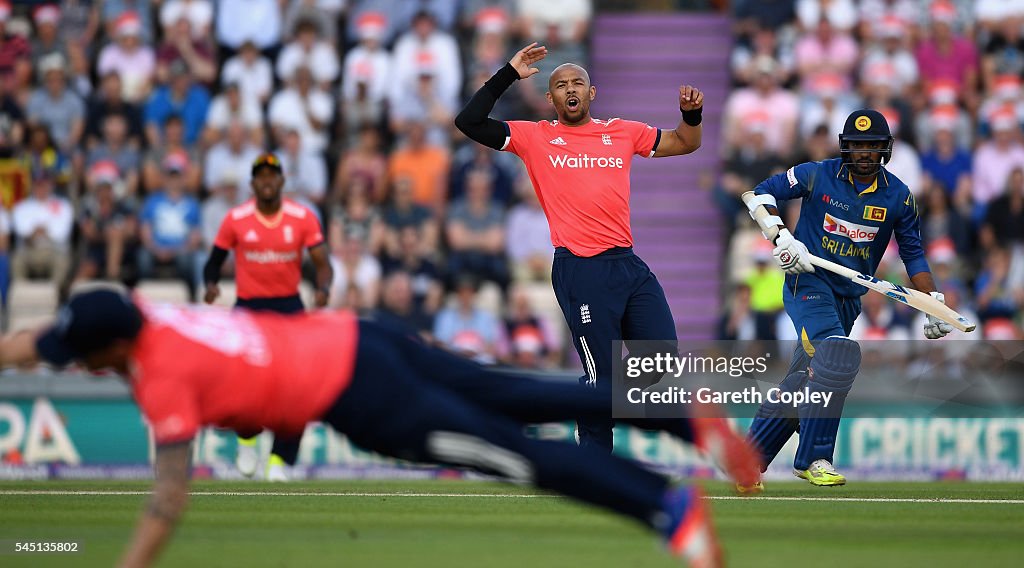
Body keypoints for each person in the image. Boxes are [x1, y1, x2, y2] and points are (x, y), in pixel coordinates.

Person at [3, 285, 763, 568]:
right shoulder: (152, 315)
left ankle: (667, 507)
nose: (75, 365)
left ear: (113, 346)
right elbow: (32, 343)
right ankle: (676, 411)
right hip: (363, 337)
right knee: (519, 395)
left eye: (83, 357)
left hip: (368, 398)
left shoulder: (161, 374)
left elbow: (169, 497)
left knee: (517, 457)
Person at [454, 43, 704, 451]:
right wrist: (508, 74)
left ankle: (611, 404)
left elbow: (685, 142)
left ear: (592, 93)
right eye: (560, 85)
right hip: (580, 268)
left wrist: (691, 114)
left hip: (626, 263)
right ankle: (593, 458)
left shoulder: (622, 131)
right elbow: (469, 121)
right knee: (599, 378)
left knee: (661, 360)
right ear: (550, 98)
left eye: (577, 82)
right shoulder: (535, 136)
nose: (570, 89)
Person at [742, 109, 952, 490]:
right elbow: (760, 192)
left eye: (872, 147)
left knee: (804, 381)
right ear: (845, 147)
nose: (864, 153)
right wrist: (781, 237)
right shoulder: (817, 174)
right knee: (835, 355)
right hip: (807, 283)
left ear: (884, 150)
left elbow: (913, 253)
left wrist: (930, 299)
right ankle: (815, 458)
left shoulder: (899, 197)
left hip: (849, 297)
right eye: (856, 146)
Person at [202, 153, 333, 481]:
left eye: (272, 175)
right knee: (244, 386)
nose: (267, 181)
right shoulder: (236, 218)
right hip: (249, 309)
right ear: (252, 183)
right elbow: (213, 261)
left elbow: (322, 263)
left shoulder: (302, 217)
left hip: (289, 307)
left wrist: (324, 288)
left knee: (300, 389)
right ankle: (247, 439)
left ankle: (280, 462)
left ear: (282, 181)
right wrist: (210, 284)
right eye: (261, 176)